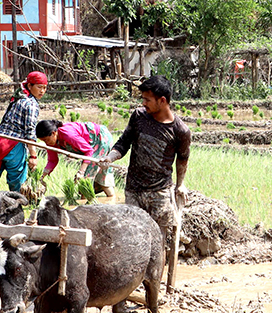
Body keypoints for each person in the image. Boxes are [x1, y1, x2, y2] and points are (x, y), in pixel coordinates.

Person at [100, 75, 191, 286]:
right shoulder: (139, 116)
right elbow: (124, 143)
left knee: (157, 242)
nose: (143, 103)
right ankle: (129, 287)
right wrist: (110, 157)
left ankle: (153, 289)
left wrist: (181, 184)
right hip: (134, 189)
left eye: (147, 99)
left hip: (160, 192)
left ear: (163, 101)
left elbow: (183, 159)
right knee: (131, 241)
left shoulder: (180, 131)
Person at [0, 71, 47, 193]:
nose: (42, 91)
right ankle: (18, 208)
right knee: (17, 185)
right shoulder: (31, 104)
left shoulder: (18, 98)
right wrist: (33, 155)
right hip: (13, 145)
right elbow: (30, 132)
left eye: (44, 88)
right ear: (29, 86)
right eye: (39, 87)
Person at [36, 119, 117, 197]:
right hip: (90, 147)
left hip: (100, 139)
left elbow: (88, 151)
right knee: (95, 177)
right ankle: (111, 198)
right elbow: (52, 160)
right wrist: (41, 177)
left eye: (46, 140)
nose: (46, 143)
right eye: (43, 141)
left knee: (86, 181)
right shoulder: (51, 142)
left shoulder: (68, 134)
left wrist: (81, 172)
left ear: (53, 133)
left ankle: (106, 200)